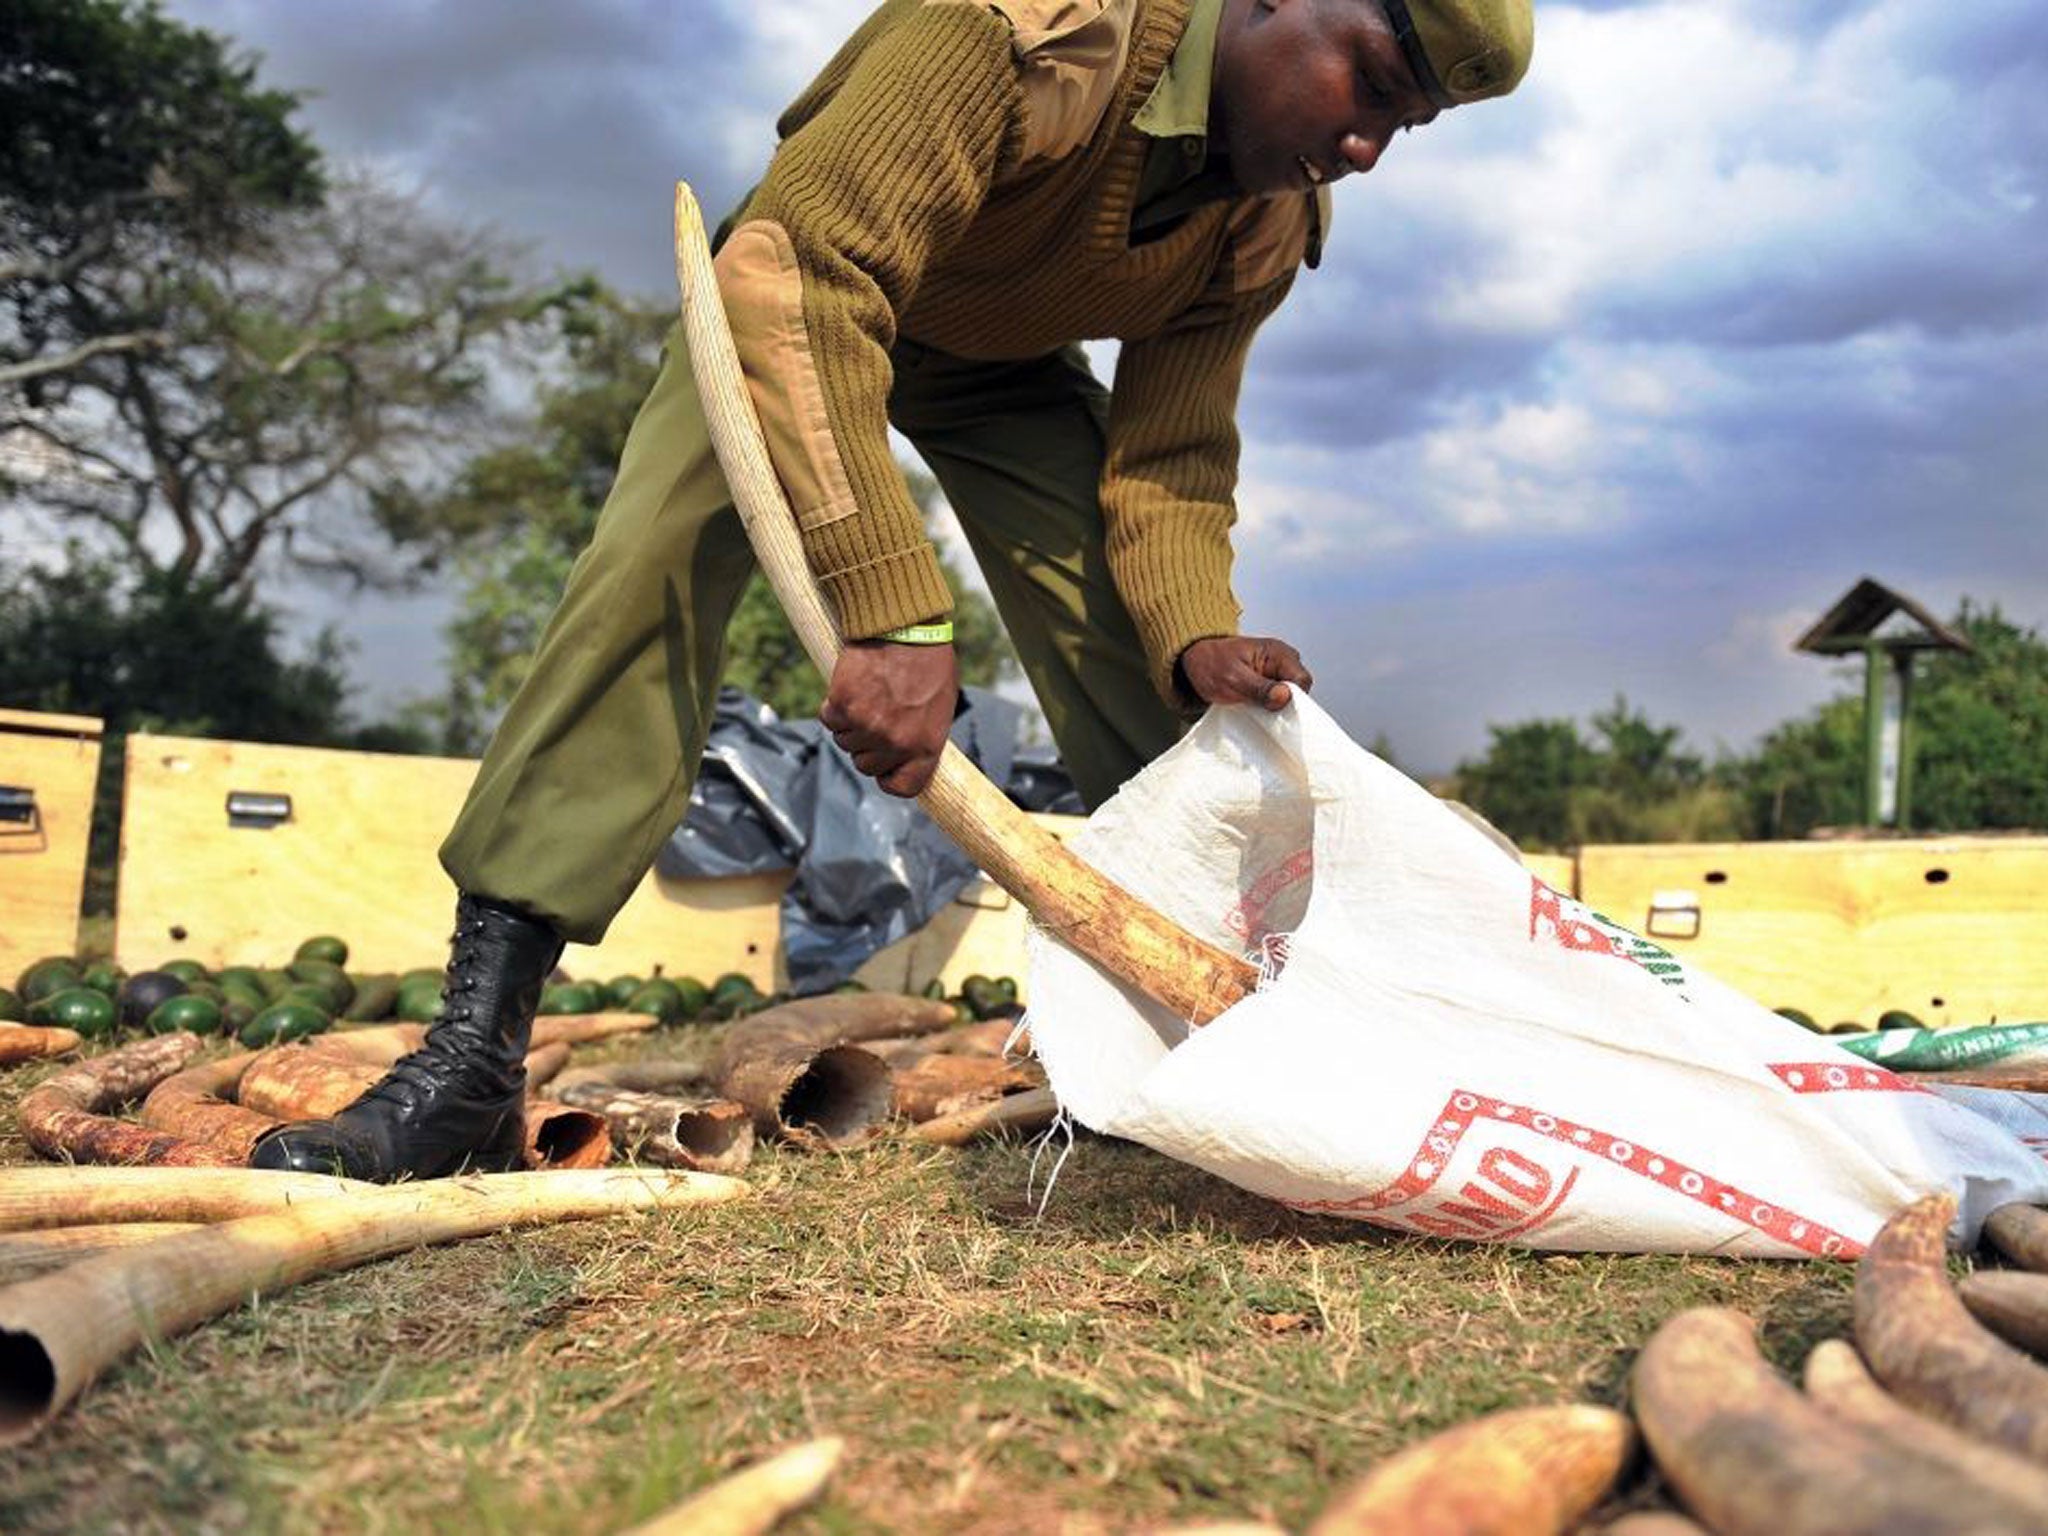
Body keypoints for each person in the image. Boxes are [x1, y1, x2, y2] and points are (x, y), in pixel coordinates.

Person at [251, 0, 1535, 1181]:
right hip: (804, 298)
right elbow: (809, 272)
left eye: (1402, 123)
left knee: (1148, 663)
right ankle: (472, 1060)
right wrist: (894, 608)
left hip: (993, 364)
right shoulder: (1025, 29)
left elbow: (1169, 463)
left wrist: (1197, 631)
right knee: (656, 556)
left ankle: (1218, 1050)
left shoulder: (1264, 214)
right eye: (1365, 80)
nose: (1365, 145)